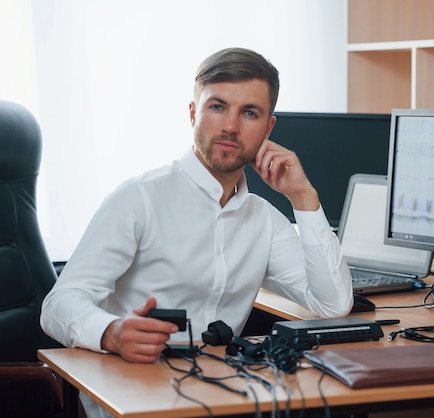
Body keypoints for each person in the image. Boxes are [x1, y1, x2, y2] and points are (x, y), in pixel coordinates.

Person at [41, 48, 353, 367]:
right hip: (133, 391)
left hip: (221, 389)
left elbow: (333, 305)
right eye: (217, 107)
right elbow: (59, 304)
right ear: (193, 113)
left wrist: (303, 196)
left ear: (268, 129)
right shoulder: (138, 199)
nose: (230, 126)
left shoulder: (264, 220)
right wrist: (111, 332)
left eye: (249, 113)